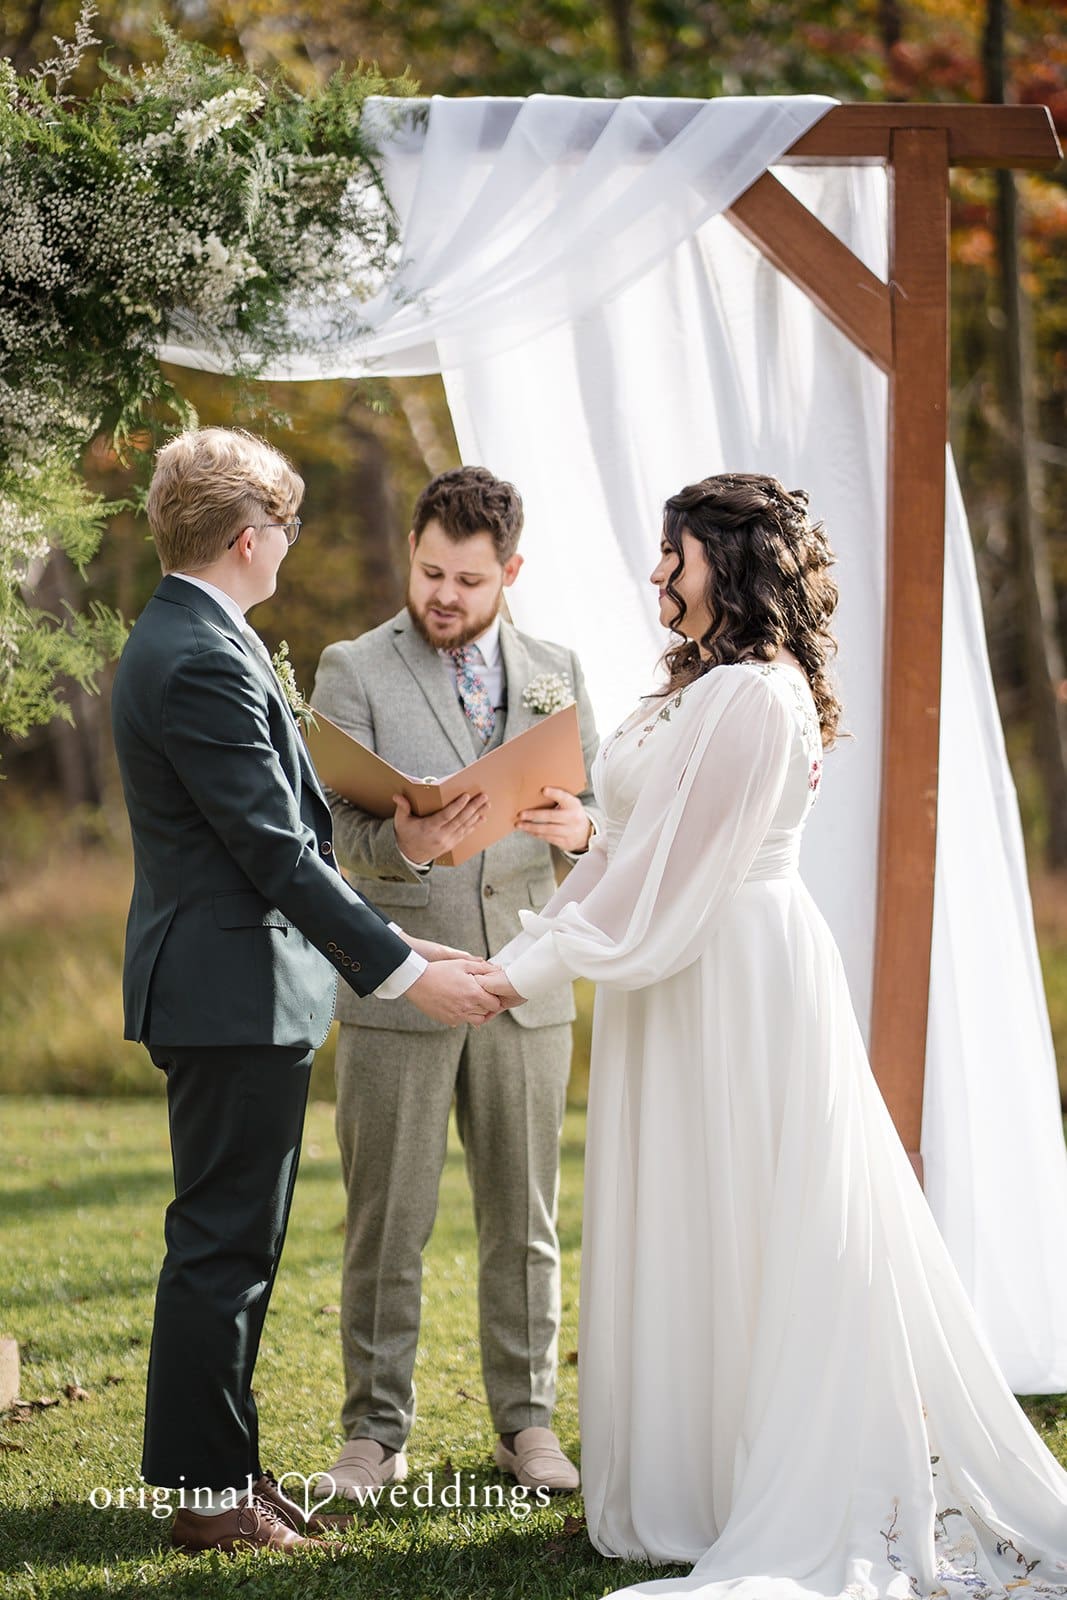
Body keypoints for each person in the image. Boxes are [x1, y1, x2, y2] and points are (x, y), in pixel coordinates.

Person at [481, 473, 1067, 1600]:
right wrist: (580, 849)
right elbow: (647, 846)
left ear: (730, 564)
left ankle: (741, 1484)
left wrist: (517, 967)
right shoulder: (709, 688)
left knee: (747, 1208)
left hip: (732, 971)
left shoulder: (755, 694)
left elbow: (674, 872)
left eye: (677, 553)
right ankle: (689, 1471)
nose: (658, 572)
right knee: (693, 1207)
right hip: (683, 957)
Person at [110, 428, 500, 1556]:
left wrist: (399, 828)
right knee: (223, 1243)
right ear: (249, 537)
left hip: (242, 984)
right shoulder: (198, 656)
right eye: (283, 527)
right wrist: (407, 965)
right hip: (227, 985)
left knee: (238, 1238)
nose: (288, 544)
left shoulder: (203, 636)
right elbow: (273, 854)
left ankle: (222, 1465)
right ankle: (204, 1495)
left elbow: (285, 823)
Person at [309, 465, 601, 1502]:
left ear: (508, 572)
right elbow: (332, 838)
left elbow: (598, 820)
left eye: (467, 580)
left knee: (522, 1221)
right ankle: (372, 1436)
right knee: (386, 1218)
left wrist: (580, 828)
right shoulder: (350, 667)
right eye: (429, 570)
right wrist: (408, 842)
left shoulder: (560, 668)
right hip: (401, 981)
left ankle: (526, 1425)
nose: (441, 593)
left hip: (526, 981)